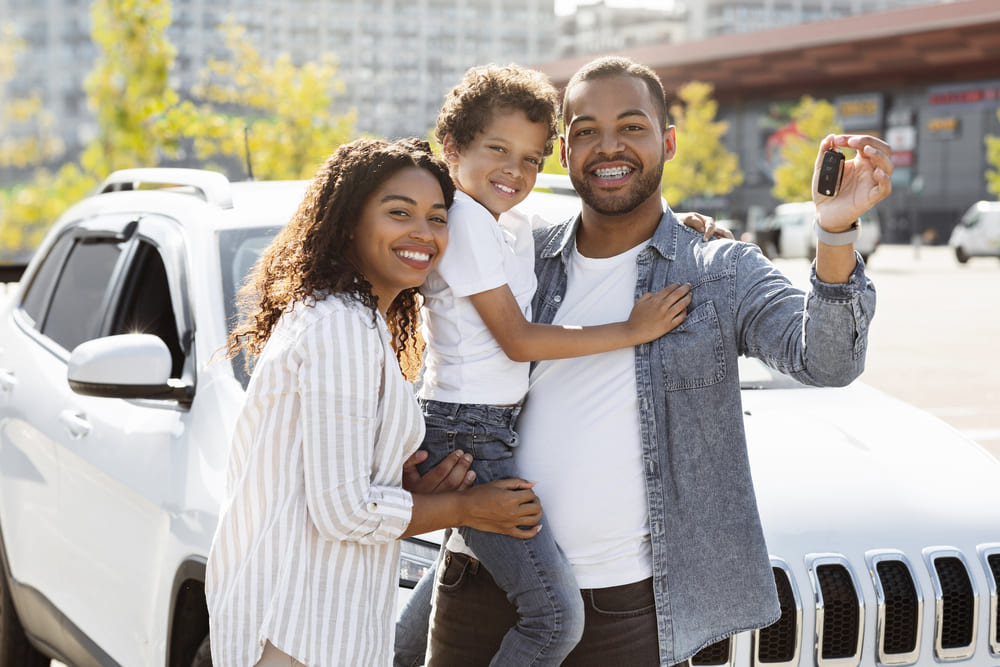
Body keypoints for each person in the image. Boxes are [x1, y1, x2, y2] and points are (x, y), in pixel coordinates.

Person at [418, 56, 892, 667]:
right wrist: (424, 473)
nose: (608, 146)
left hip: (622, 609)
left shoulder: (718, 271)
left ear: (667, 141)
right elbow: (446, 359)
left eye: (631, 126)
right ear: (563, 150)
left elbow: (827, 361)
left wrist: (834, 232)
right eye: (586, 130)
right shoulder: (523, 253)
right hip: (476, 583)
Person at [395, 64, 731, 667]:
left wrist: (686, 227)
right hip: (467, 433)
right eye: (497, 150)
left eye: (530, 158)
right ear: (451, 149)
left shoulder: (510, 224)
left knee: (496, 593)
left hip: (486, 432)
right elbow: (519, 341)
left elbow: (604, 228)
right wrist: (631, 330)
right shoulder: (466, 223)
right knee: (552, 617)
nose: (515, 172)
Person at [206, 137, 547, 667]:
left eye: (438, 218)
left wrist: (405, 489)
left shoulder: (357, 321)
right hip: (294, 634)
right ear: (347, 225)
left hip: (321, 626)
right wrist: (468, 507)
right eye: (399, 212)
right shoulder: (340, 327)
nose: (424, 233)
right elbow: (343, 514)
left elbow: (324, 490)